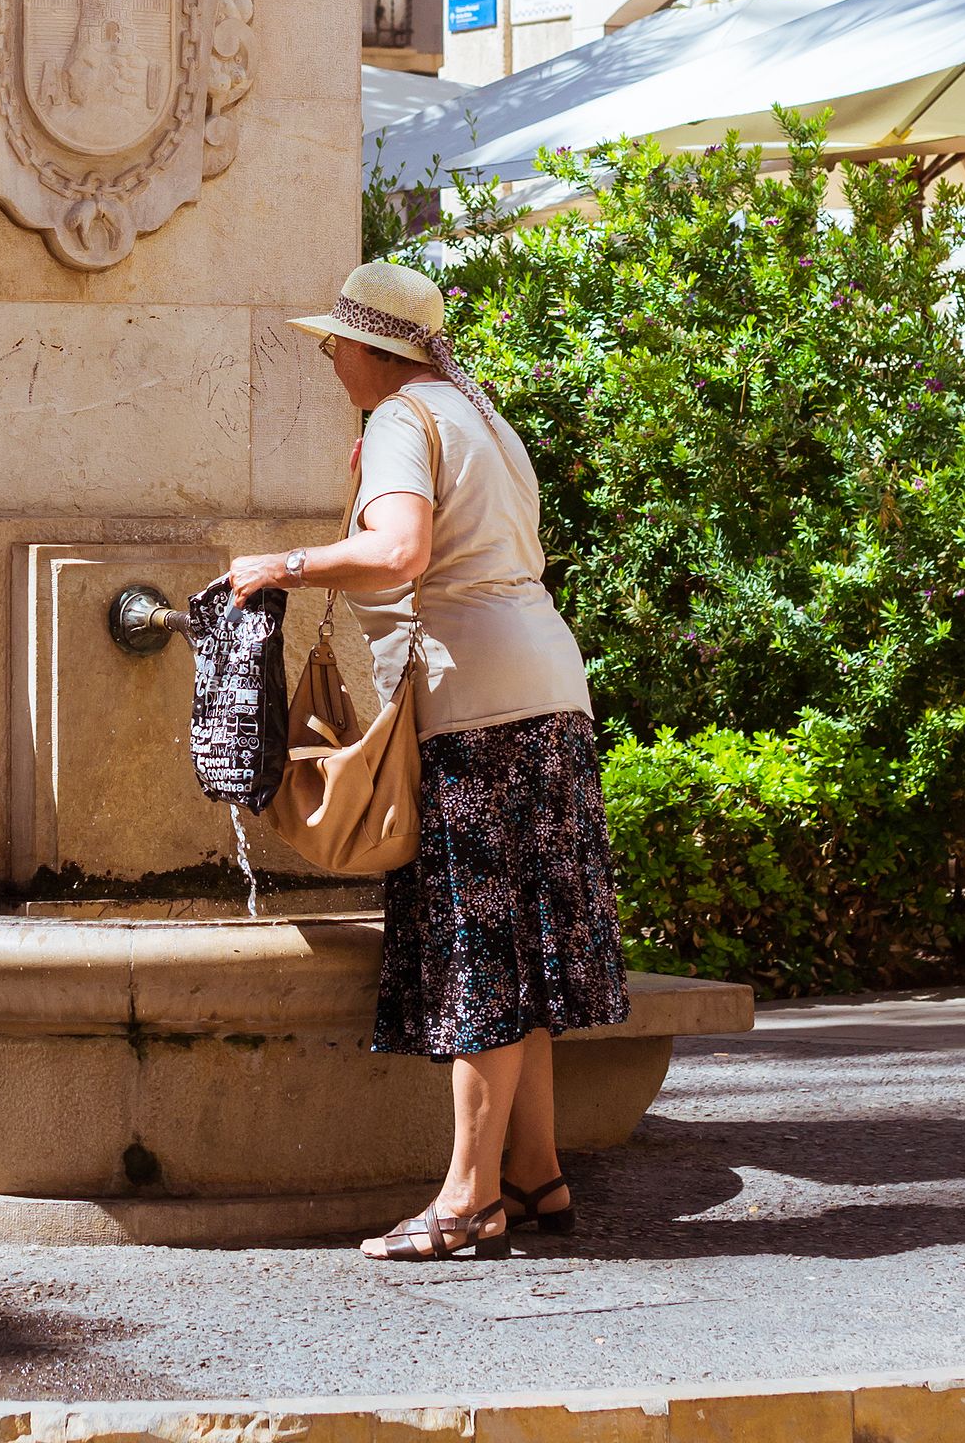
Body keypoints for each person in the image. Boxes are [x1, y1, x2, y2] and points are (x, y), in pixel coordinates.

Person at [227, 257, 627, 1264]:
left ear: (372, 348)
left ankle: (465, 1197)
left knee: (480, 950)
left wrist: (282, 564)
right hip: (546, 690)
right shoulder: (481, 415)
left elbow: (400, 552)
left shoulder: (407, 416)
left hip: (477, 707)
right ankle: (534, 1173)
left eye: (334, 344)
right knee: (524, 949)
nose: (329, 362)